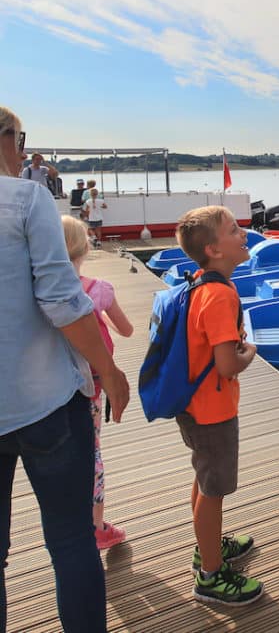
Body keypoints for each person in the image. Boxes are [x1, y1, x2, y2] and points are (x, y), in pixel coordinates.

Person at [0, 106, 130, 632]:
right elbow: (60, 299)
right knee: (72, 540)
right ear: (6, 139)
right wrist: (110, 373)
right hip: (45, 403)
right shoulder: (25, 198)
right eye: (20, 138)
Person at [174, 205, 263, 606]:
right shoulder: (221, 296)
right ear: (213, 249)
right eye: (234, 229)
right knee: (214, 489)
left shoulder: (200, 283)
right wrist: (250, 353)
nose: (243, 233)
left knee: (204, 478)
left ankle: (205, 546)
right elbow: (228, 365)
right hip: (213, 412)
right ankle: (210, 574)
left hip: (194, 407)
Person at [62, 215, 134, 550]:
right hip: (91, 384)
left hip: (54, 383)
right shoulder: (99, 290)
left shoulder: (44, 292)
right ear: (85, 248)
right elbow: (127, 329)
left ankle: (68, 519)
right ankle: (96, 526)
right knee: (92, 453)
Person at [82, 180, 106, 246]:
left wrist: (86, 216)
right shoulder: (99, 196)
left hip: (91, 217)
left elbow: (83, 202)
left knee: (89, 228)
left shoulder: (87, 197)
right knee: (98, 230)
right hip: (99, 217)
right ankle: (99, 241)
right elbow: (104, 205)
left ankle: (93, 237)